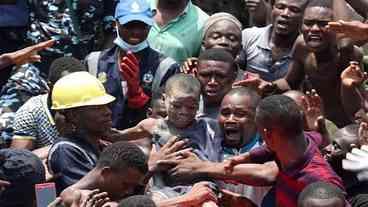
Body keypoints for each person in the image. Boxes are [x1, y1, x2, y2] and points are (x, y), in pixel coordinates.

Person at [236, 0, 363, 127]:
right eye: (308, 23)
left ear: (337, 29)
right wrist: (267, 86)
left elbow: (345, 43)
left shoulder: (348, 54)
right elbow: (290, 82)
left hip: (348, 126)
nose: (314, 29)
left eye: (323, 24)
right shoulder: (302, 46)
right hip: (312, 123)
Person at [111, 73, 221, 206]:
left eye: (191, 107)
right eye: (177, 105)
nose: (183, 112)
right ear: (165, 99)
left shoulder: (207, 126)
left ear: (199, 104)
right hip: (164, 188)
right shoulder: (153, 126)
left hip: (200, 185)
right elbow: (117, 136)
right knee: (155, 201)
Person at [86, 0, 179, 130]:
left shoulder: (166, 67)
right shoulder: (93, 62)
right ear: (116, 24)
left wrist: (140, 99)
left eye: (142, 26)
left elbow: (168, 117)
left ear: (150, 26)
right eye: (129, 25)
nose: (136, 32)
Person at [47, 71, 115, 193]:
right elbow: (93, 197)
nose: (107, 112)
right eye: (97, 108)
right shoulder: (66, 151)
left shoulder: (100, 146)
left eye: (106, 105)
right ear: (74, 116)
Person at [10, 57, 86, 152]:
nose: (74, 92)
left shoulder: (93, 103)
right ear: (50, 86)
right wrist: (66, 143)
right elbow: (18, 159)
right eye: (66, 88)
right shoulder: (31, 112)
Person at [237, 0, 309, 81]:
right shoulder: (248, 36)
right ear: (272, 8)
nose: (285, 13)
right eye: (280, 7)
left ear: (304, 16)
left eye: (294, 10)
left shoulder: (306, 49)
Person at [59, 141, 148, 207]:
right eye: (125, 185)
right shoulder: (78, 199)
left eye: (134, 186)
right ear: (106, 172)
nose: (130, 191)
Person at [196, 48, 238, 120]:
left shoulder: (241, 112)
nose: (212, 82)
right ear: (195, 74)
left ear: (233, 77)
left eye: (221, 76)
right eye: (205, 75)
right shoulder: (183, 106)